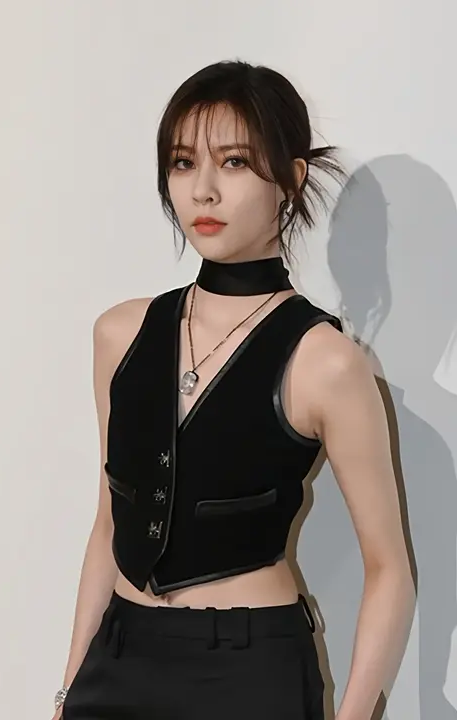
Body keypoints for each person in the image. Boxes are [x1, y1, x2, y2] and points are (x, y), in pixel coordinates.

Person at [55, 60, 415, 719]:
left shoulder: (326, 362)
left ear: (290, 179)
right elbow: (109, 522)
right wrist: (68, 688)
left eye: (235, 162)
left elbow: (389, 568)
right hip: (116, 660)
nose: (204, 191)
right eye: (183, 162)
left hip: (249, 673)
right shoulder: (119, 333)